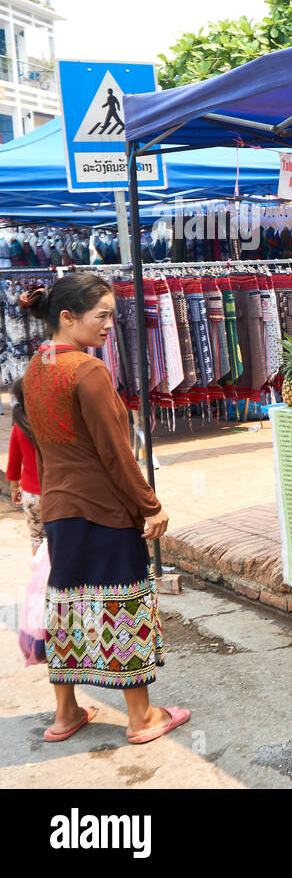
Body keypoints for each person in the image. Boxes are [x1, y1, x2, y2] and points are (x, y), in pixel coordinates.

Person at [20, 274, 189, 745]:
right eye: (102, 316)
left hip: (59, 509)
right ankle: (141, 718)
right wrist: (149, 505)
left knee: (67, 610)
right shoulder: (86, 371)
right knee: (123, 608)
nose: (110, 325)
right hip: (103, 510)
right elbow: (116, 452)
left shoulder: (34, 369)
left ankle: (65, 713)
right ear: (68, 317)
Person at [7, 378, 43, 554]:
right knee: (58, 538)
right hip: (54, 491)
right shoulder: (49, 424)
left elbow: (13, 461)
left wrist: (14, 488)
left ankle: (41, 580)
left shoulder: (18, 427)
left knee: (37, 539)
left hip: (31, 496)